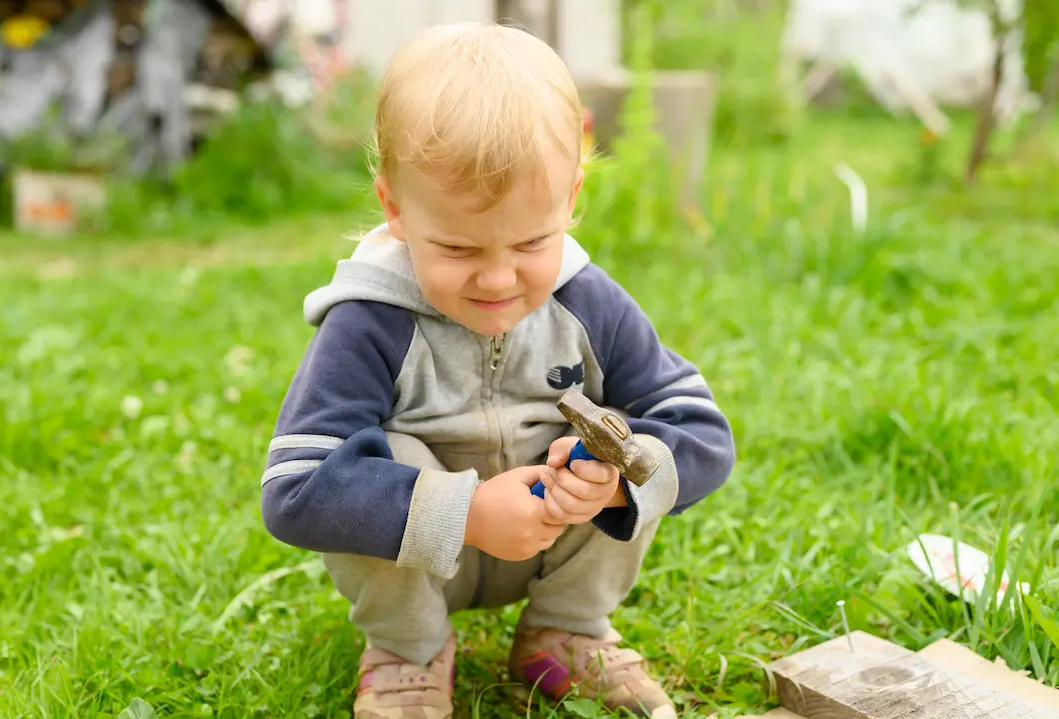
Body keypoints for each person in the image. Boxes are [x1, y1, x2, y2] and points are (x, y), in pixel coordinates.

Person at [259, 21, 735, 719]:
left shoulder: (589, 302)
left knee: (627, 451)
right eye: (455, 245)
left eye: (532, 241)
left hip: (551, 541)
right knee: (382, 456)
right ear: (394, 206)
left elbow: (702, 432)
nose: (497, 277)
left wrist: (609, 480)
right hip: (417, 567)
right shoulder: (369, 320)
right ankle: (408, 652)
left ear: (572, 196)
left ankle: (565, 630)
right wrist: (469, 513)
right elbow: (295, 486)